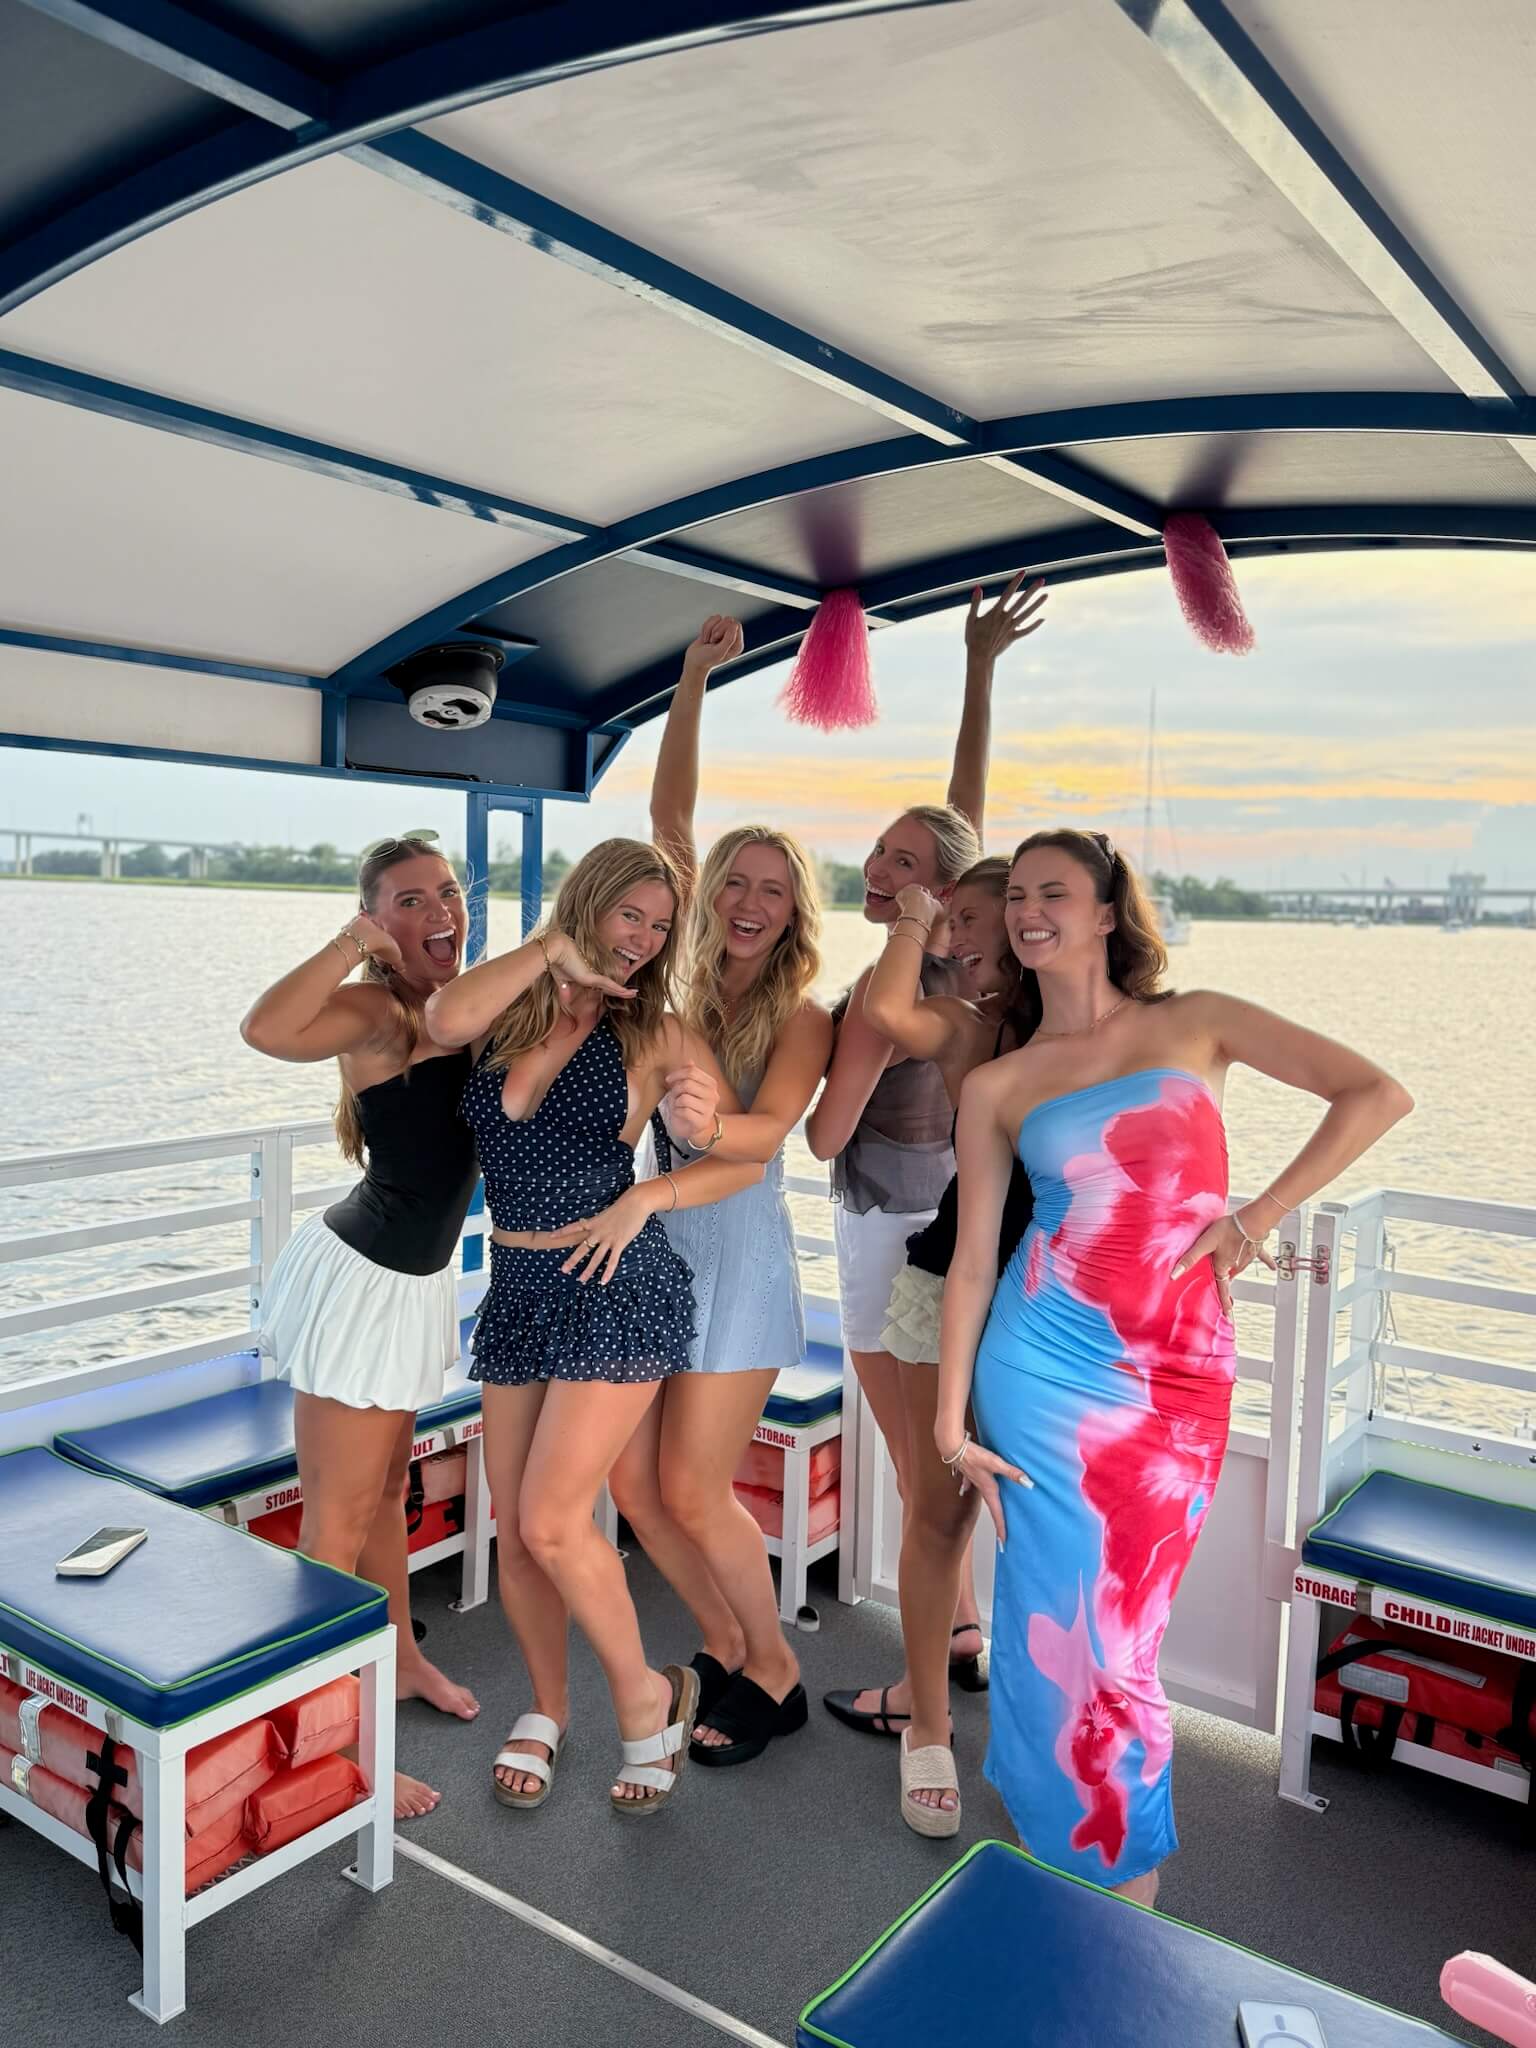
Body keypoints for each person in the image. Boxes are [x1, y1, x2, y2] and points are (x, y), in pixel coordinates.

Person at [939, 828, 1412, 1904]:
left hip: (1174, 1386)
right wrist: (945, 1418)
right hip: (1039, 1372)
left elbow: (1374, 1092)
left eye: (1053, 891)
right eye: (1015, 895)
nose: (1027, 910)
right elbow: (972, 1263)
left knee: (1118, 1642)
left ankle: (1106, 1897)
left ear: (1109, 912)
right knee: (1050, 1627)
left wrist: (1259, 1217)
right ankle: (1092, 1882)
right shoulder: (999, 1081)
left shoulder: (1197, 1021)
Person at [423, 837, 763, 1816]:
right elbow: (442, 1012)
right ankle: (547, 1702)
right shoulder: (507, 1009)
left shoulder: (656, 1033)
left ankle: (644, 1697)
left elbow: (740, 1151)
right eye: (632, 916)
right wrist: (550, 952)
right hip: (520, 1283)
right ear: (591, 905)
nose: (645, 940)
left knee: (551, 1517)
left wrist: (651, 1190)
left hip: (616, 1281)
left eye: (659, 927)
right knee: (519, 1535)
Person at [808, 573, 1046, 1740]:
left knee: (919, 1468)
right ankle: (961, 1635)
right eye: (882, 850)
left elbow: (825, 1133)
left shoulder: (906, 985)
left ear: (941, 896)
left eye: (906, 863)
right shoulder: (977, 969)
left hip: (894, 1233)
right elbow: (963, 810)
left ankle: (919, 1683)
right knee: (939, 1465)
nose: (883, 867)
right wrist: (978, 670)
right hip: (958, 1225)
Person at [601, 616, 834, 1766]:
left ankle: (777, 1669)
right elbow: (667, 822)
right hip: (658, 1248)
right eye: (735, 883)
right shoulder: (679, 972)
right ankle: (726, 1647)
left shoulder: (805, 1013)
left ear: (795, 914)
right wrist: (691, 676)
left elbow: (773, 1127)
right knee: (637, 1486)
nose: (748, 901)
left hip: (735, 1249)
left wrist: (706, 1123)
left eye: (772, 892)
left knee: (694, 1487)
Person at [240, 830, 482, 1822]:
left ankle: (402, 1655)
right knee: (333, 1525)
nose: (439, 912)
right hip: (362, 1279)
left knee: (390, 1486)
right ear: (379, 919)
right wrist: (351, 942)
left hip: (413, 1284)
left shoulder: (457, 1007)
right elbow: (264, 1027)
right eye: (410, 900)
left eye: (448, 893)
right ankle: (325, 1744)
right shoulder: (377, 1011)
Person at [856, 859, 1036, 1835]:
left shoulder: (1099, 1028)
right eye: (951, 917)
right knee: (939, 1513)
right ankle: (928, 1722)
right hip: (948, 1280)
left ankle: (1047, 1723)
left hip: (1053, 1304)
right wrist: (918, 919)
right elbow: (889, 1008)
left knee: (1050, 1527)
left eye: (975, 916)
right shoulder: (966, 1024)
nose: (959, 935)